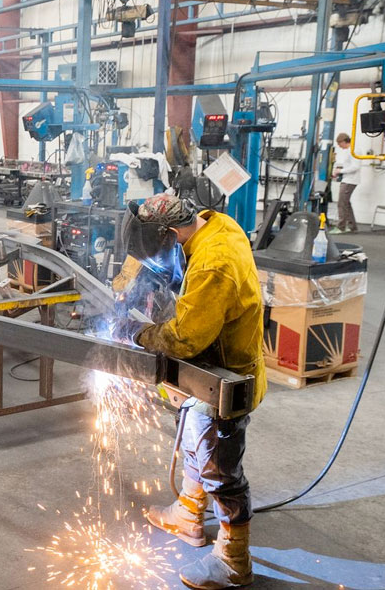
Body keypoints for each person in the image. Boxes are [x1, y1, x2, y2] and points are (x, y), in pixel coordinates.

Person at [121, 193, 266, 590]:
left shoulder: (213, 265)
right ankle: (187, 515)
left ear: (169, 234)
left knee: (220, 469)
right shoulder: (214, 222)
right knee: (193, 440)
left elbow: (185, 339)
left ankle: (235, 560)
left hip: (227, 375)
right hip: (212, 361)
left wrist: (139, 333)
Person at [331, 133, 362, 233]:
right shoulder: (349, 151)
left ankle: (341, 227)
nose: (339, 146)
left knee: (341, 203)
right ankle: (352, 227)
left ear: (344, 141)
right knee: (346, 203)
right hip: (347, 179)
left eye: (340, 144)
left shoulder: (354, 150)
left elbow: (355, 167)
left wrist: (340, 171)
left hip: (350, 180)